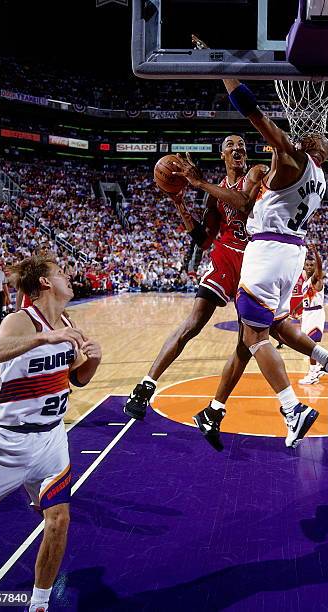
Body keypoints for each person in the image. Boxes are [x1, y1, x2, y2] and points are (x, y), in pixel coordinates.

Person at [171, 71, 328, 449]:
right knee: (276, 326)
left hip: (268, 250)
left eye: (311, 136)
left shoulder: (293, 157)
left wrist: (224, 71)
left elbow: (254, 114)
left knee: (254, 334)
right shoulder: (319, 178)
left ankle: (293, 408)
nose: (304, 133)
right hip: (291, 253)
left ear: (314, 146)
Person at [0, 254, 102, 612]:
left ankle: (39, 603)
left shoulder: (67, 322)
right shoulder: (21, 320)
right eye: (60, 272)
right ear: (44, 283)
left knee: (58, 520)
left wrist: (93, 359)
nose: (68, 276)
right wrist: (46, 338)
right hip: (8, 441)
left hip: (52, 439)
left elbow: (77, 378)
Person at [123, 134, 266, 419]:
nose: (237, 148)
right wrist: (179, 204)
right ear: (222, 155)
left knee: (246, 341)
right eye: (230, 146)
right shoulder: (215, 193)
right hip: (225, 257)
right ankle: (145, 386)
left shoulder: (256, 172)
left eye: (241, 145)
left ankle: (216, 407)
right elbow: (203, 240)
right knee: (193, 322)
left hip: (255, 260)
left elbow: (244, 204)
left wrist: (200, 184)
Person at [298, 247, 326, 385]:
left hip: (315, 314)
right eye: (307, 265)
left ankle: (313, 373)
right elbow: (305, 299)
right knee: (307, 344)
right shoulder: (305, 283)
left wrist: (316, 254)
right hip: (307, 313)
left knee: (310, 345)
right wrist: (296, 310)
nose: (309, 267)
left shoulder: (316, 279)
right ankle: (323, 364)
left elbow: (319, 269)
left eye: (311, 265)